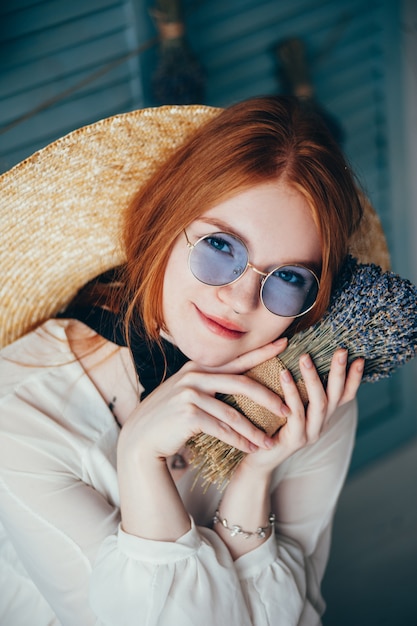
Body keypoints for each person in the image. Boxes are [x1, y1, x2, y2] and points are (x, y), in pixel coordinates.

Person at [0, 96, 387, 626]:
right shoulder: (20, 406)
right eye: (221, 247)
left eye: (289, 278)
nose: (242, 300)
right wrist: (138, 458)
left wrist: (254, 477)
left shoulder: (315, 397)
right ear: (163, 222)